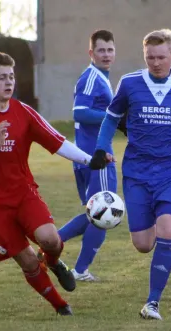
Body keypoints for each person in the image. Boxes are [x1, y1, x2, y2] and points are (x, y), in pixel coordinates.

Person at [0, 52, 95, 316]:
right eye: (1, 78)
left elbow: (57, 142)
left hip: (23, 192)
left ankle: (54, 263)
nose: (9, 83)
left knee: (50, 240)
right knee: (29, 260)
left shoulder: (23, 112)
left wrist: (91, 160)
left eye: (11, 77)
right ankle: (61, 306)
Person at [90, 29, 171, 320]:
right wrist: (101, 147)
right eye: (150, 57)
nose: (156, 63)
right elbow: (111, 118)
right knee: (143, 244)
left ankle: (152, 303)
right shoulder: (130, 83)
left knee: (167, 230)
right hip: (137, 171)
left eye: (161, 57)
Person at [55, 30, 118, 282]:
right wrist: (114, 117)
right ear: (91, 53)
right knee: (105, 213)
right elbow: (80, 113)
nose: (106, 54)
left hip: (87, 157)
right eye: (101, 50)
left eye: (110, 49)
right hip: (96, 158)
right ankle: (80, 271)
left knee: (94, 214)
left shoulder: (101, 77)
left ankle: (51, 244)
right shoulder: (91, 77)